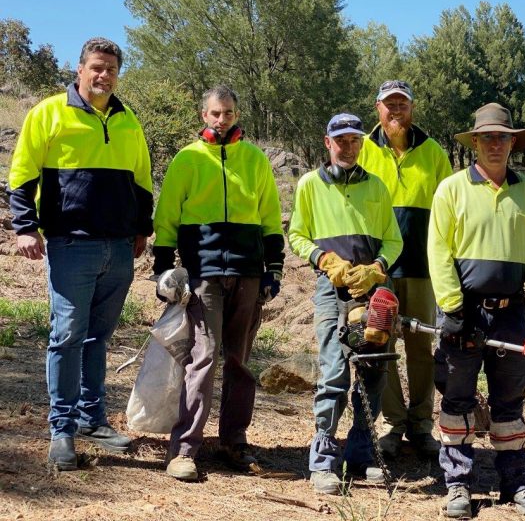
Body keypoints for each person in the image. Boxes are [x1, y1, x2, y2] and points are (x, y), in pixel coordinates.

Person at [7, 38, 153, 470]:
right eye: (96, 67)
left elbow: (142, 180)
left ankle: (92, 419)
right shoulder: (49, 113)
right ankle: (62, 429)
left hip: (118, 248)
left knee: (98, 337)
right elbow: (21, 173)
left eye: (110, 68)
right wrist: (25, 226)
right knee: (67, 336)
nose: (103, 75)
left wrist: (142, 228)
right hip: (70, 243)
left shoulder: (128, 121)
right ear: (80, 69)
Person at [151, 84, 285, 481]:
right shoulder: (187, 159)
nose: (221, 120)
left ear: (236, 115)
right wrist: (163, 268)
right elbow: (168, 217)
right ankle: (185, 449)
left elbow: (270, 217)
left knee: (239, 361)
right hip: (204, 275)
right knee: (203, 358)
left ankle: (234, 441)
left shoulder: (255, 159)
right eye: (214, 113)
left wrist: (272, 269)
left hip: (247, 272)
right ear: (202, 116)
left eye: (228, 113)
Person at [428, 103, 525, 518]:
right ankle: (458, 487)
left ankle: (517, 484)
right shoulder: (451, 189)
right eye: (488, 138)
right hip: (464, 312)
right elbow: (439, 251)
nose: (496, 144)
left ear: (512, 142)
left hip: (512, 313)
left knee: (510, 400)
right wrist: (451, 308)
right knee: (458, 397)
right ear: (475, 143)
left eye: (503, 137)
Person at [288, 113, 403, 495]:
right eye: (341, 140)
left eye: (354, 140)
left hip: (371, 290)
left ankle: (362, 453)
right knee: (334, 371)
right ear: (328, 142)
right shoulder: (309, 185)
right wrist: (325, 260)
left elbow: (394, 240)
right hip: (330, 289)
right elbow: (298, 235)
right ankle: (322, 457)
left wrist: (377, 268)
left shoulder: (377, 187)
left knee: (373, 370)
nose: (348, 147)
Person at [357, 80, 452, 458]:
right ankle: (393, 424)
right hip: (378, 268)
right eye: (389, 104)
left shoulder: (433, 153)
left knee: (421, 347)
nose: (395, 111)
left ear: (412, 109)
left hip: (423, 266)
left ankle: (422, 426)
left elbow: (450, 209)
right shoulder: (361, 148)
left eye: (402, 104)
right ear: (377, 109)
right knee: (382, 344)